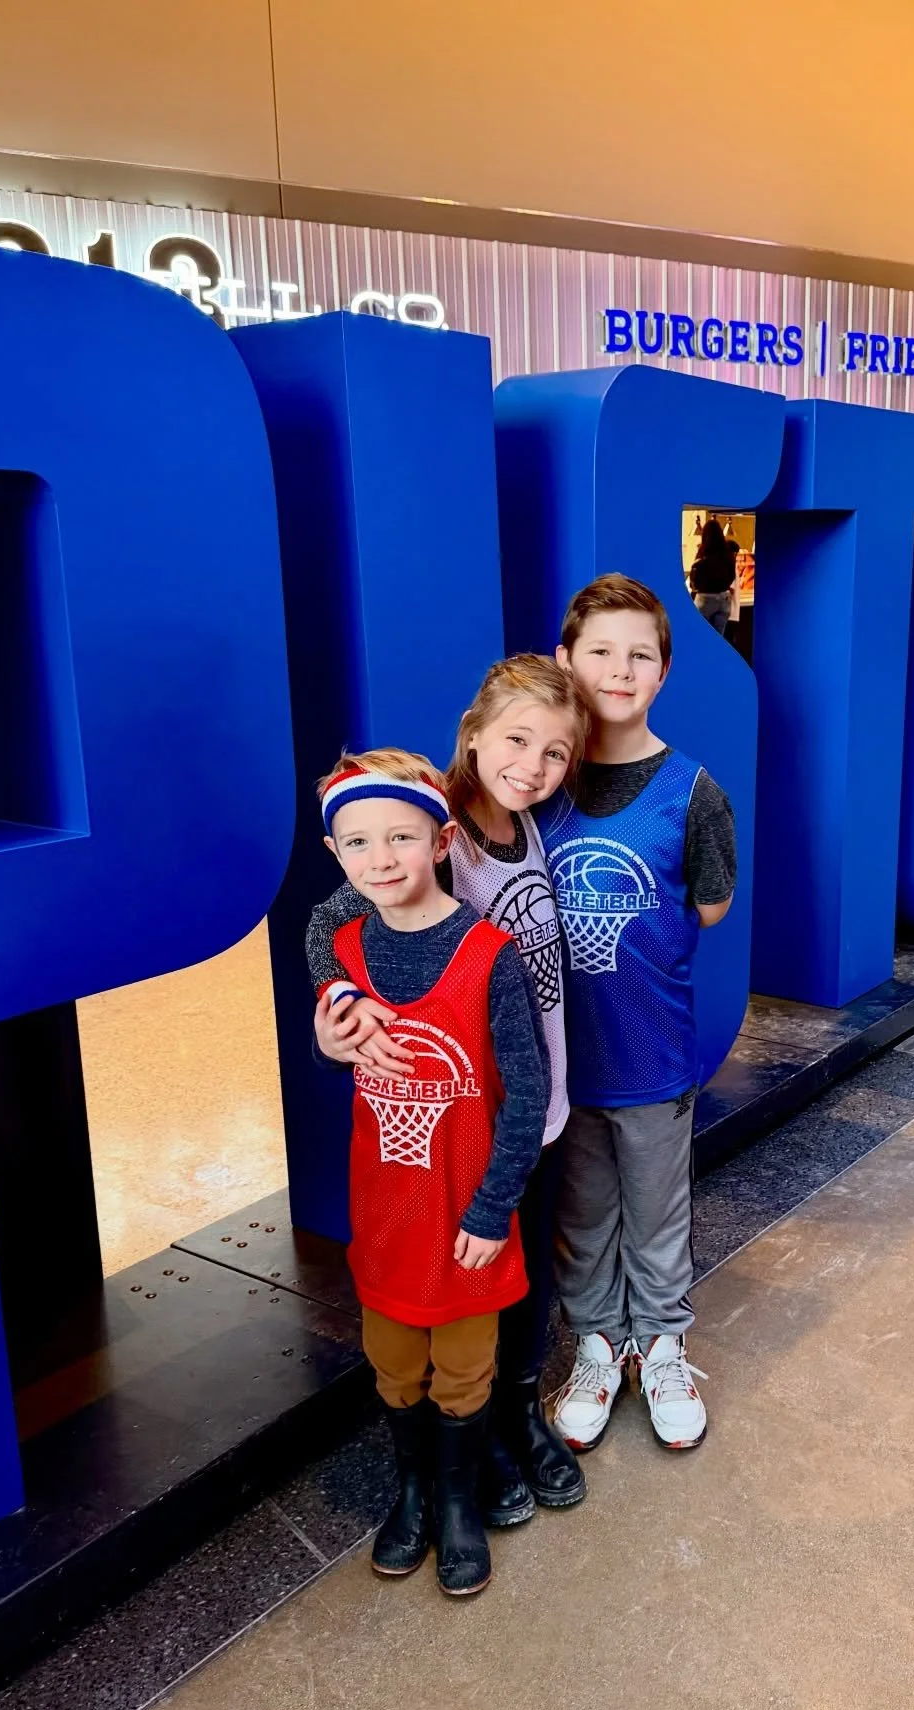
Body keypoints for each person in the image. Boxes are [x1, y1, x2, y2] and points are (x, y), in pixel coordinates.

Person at [308, 657, 591, 1521]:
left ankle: (511, 1412)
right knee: (478, 1280)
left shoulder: (523, 819)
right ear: (472, 735)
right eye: (516, 741)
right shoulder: (435, 831)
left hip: (529, 1108)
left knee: (521, 1275)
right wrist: (338, 1000)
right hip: (468, 1114)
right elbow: (331, 921)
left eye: (554, 752)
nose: (533, 765)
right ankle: (486, 1443)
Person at [314, 750, 549, 1596]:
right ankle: (411, 1492)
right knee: (392, 1364)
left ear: (442, 839)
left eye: (402, 838)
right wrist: (329, 1024)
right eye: (357, 843)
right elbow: (337, 1039)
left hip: (464, 1219)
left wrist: (493, 1209)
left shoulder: (489, 954)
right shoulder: (343, 953)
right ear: (336, 857)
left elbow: (529, 1091)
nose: (380, 859)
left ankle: (457, 1505)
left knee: (461, 1368)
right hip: (386, 1217)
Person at [544, 573, 736, 1451]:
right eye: (601, 652)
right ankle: (597, 1343)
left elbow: (707, 907)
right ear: (565, 662)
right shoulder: (534, 784)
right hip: (558, 1064)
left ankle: (660, 1341)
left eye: (641, 656)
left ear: (662, 672)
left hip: (652, 1053)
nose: (620, 671)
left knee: (657, 1208)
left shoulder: (694, 791)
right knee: (582, 1210)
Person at [688, 517, 735, 636]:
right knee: (719, 637)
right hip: (724, 599)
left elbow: (694, 581)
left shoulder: (703, 554)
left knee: (700, 637)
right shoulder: (727, 554)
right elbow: (732, 576)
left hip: (705, 599)